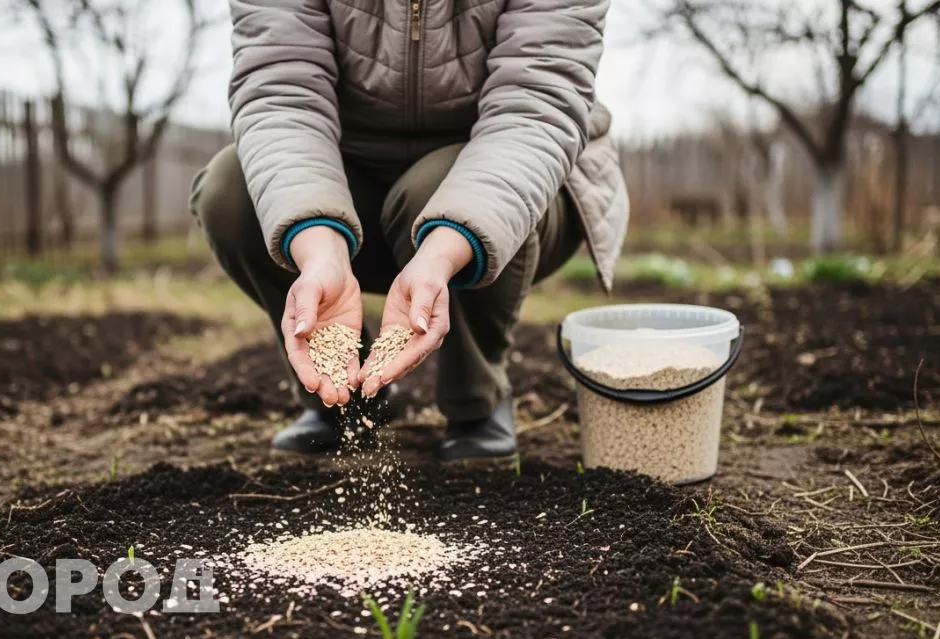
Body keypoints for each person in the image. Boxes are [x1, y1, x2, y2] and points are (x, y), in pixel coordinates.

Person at [191, 0, 628, 460]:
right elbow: (281, 91)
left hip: (505, 179)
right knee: (231, 191)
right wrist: (321, 252)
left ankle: (475, 399)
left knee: (432, 190)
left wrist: (441, 252)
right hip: (347, 180)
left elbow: (537, 104)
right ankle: (345, 395)